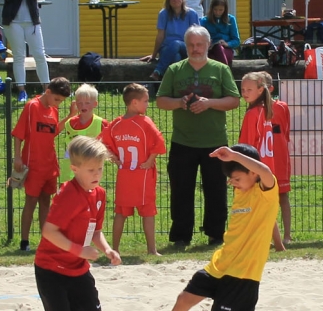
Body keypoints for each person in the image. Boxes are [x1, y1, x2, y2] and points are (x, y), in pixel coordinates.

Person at [137, 144, 278, 311]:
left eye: (237, 178)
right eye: (231, 179)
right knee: (183, 300)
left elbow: (265, 170)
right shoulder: (242, 191)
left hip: (242, 271)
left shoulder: (264, 191)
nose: (232, 183)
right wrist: (232, 164)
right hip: (220, 264)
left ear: (252, 173)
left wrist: (234, 155)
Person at [7, 136, 122, 311]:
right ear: (75, 169)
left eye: (100, 169)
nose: (97, 174)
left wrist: (108, 249)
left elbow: (95, 231)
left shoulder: (99, 194)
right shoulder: (69, 194)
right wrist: (79, 250)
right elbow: (49, 231)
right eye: (91, 170)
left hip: (78, 269)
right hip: (52, 269)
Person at [156, 25, 240, 248]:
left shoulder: (221, 69)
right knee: (181, 191)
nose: (195, 49)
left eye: (199, 44)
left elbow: (234, 100)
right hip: (182, 141)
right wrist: (180, 102)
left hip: (215, 141)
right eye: (191, 45)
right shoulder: (174, 69)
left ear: (208, 45)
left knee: (216, 191)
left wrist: (209, 103)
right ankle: (181, 236)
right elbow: (161, 100)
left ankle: (216, 234)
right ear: (186, 46)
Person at [101, 83, 166, 256]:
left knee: (121, 212)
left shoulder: (115, 124)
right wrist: (150, 160)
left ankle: (115, 249)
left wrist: (114, 157)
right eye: (145, 101)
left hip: (124, 175)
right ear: (134, 103)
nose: (148, 104)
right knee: (148, 212)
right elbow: (159, 141)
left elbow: (103, 142)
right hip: (142, 175)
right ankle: (152, 249)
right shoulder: (144, 121)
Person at [12, 77, 72, 252]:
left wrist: (70, 116)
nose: (58, 104)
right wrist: (17, 157)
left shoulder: (54, 109)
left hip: (50, 164)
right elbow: (19, 133)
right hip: (33, 163)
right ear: (48, 92)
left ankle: (46, 241)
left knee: (46, 201)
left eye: (61, 101)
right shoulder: (32, 106)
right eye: (57, 99)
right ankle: (24, 242)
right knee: (31, 201)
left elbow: (52, 132)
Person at [238, 72, 285, 251]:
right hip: (265, 166)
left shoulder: (253, 113)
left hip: (254, 167)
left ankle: (249, 243)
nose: (245, 93)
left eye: (249, 89)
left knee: (247, 206)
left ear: (260, 90)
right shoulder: (266, 110)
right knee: (265, 206)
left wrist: (240, 168)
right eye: (243, 89)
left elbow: (248, 147)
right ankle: (278, 244)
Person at [0, 0, 50, 104]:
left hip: (31, 22)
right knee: (19, 56)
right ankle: (21, 90)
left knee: (40, 55)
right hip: (13, 22)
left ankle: (47, 89)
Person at [141, 0, 200, 81]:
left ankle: (158, 71)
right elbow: (160, 36)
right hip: (167, 48)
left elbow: (196, 34)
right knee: (176, 57)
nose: (175, 0)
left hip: (186, 47)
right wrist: (154, 55)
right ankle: (178, 85)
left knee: (176, 43)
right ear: (168, 0)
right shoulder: (163, 14)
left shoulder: (191, 14)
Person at [265, 73, 294, 245]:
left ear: (270, 88)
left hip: (280, 156)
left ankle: (287, 235)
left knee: (283, 196)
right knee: (263, 199)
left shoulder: (282, 107)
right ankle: (267, 236)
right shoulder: (253, 110)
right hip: (263, 159)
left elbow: (285, 131)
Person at [58, 84, 107, 172]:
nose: (83, 106)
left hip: (91, 169)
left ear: (95, 104)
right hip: (71, 169)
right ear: (76, 104)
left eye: (87, 103)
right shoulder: (70, 123)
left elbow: (108, 145)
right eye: (80, 103)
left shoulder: (102, 124)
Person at [200, 0, 240, 67]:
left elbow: (236, 41)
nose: (218, 12)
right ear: (212, 8)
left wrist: (227, 44)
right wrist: (207, 43)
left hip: (226, 50)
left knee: (218, 48)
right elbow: (199, 38)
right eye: (215, 9)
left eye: (220, 10)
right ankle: (225, 72)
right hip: (210, 50)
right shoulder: (204, 20)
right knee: (214, 52)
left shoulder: (231, 19)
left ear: (225, 9)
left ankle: (224, 72)